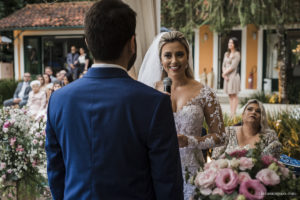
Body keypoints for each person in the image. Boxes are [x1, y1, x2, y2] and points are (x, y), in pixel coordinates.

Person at [45, 1, 183, 200]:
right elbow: (167, 184)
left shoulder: (58, 100)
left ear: (88, 42)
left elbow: (56, 175)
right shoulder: (154, 103)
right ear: (132, 43)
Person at [138, 31, 226, 200]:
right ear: (161, 59)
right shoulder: (148, 91)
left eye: (179, 54)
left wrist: (191, 141)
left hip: (192, 172)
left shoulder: (205, 92)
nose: (174, 61)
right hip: (157, 169)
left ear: (187, 57)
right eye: (167, 55)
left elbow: (221, 137)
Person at [212, 99, 282, 159]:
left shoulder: (269, 136)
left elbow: (271, 162)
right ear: (243, 115)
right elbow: (215, 158)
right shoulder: (227, 132)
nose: (253, 112)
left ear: (262, 117)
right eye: (249, 109)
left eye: (258, 111)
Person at [222, 37, 241, 117]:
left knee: (234, 94)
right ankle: (231, 112)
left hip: (233, 76)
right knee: (230, 95)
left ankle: (234, 113)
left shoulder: (237, 54)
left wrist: (224, 74)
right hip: (227, 77)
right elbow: (223, 65)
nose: (229, 44)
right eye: (229, 42)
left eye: (231, 43)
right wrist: (224, 74)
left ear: (235, 45)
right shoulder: (226, 54)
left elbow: (233, 66)